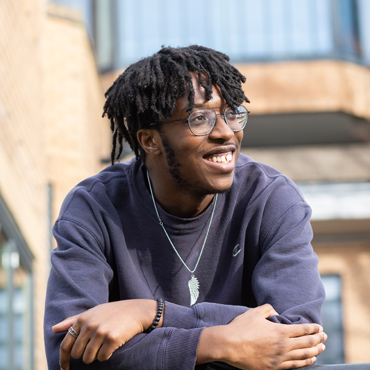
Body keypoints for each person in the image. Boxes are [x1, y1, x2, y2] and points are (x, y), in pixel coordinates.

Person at [44, 45, 327, 370]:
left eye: (232, 112)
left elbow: (298, 338)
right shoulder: (95, 207)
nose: (226, 133)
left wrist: (149, 314)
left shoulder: (270, 199)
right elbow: (66, 353)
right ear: (151, 141)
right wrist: (216, 343)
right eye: (200, 118)